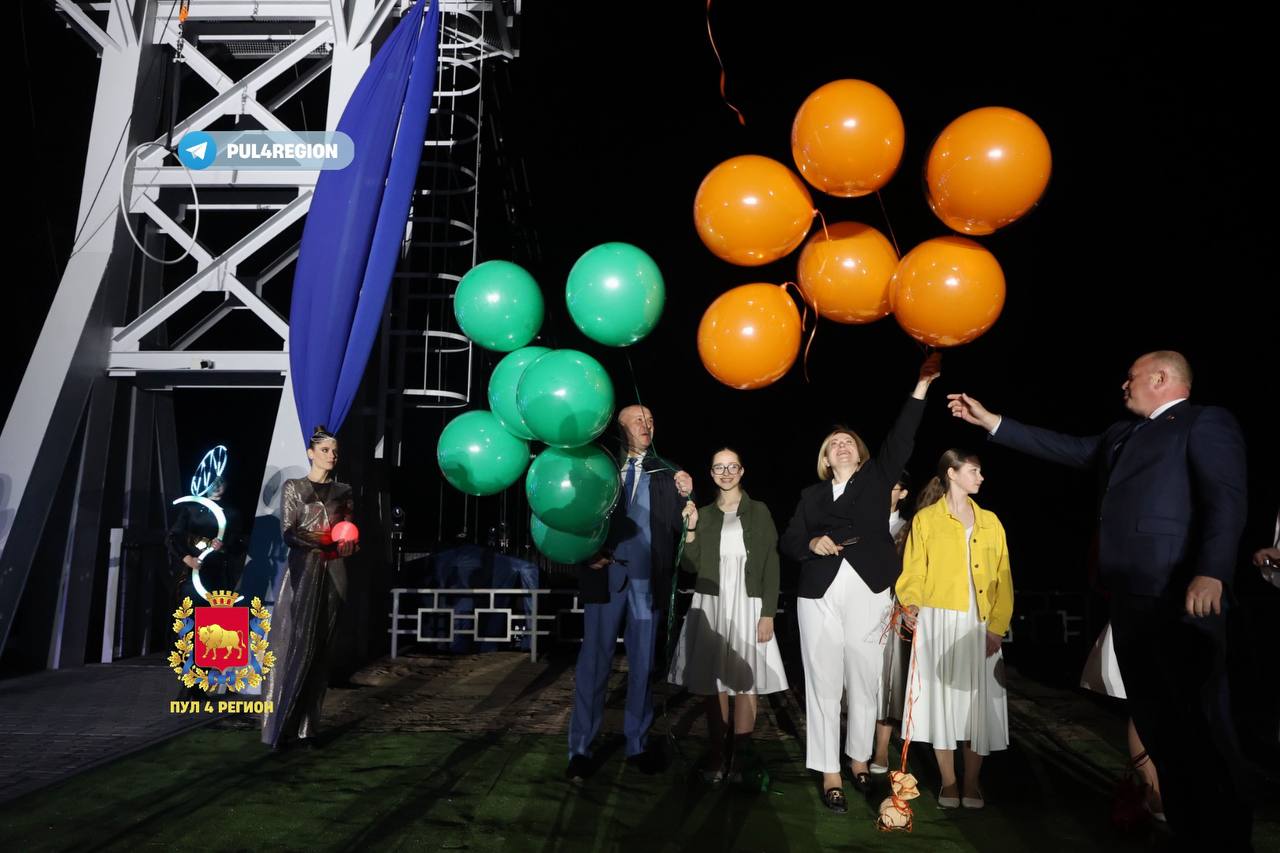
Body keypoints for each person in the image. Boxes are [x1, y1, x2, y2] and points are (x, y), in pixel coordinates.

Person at [947, 350, 1251, 847]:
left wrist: (1212, 571)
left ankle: (1229, 838)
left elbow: (1226, 500)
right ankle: (1189, 831)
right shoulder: (1119, 434)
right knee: (1158, 727)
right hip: (1128, 600)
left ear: (1161, 378)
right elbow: (1064, 447)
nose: (1123, 385)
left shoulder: (1203, 422)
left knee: (1203, 727)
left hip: (1180, 599)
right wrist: (993, 422)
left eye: (1132, 377)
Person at [780, 353, 941, 814]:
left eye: (848, 442)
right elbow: (789, 540)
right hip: (818, 593)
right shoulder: (811, 495)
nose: (842, 446)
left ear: (861, 452)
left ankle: (858, 760)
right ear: (825, 459)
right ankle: (829, 771)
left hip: (869, 587)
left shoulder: (876, 479)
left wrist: (922, 386)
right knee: (823, 683)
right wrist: (812, 543)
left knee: (864, 681)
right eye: (834, 444)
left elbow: (902, 437)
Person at [567, 405, 693, 781]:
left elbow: (683, 520)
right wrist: (586, 553)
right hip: (605, 578)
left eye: (651, 420)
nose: (646, 424)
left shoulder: (667, 472)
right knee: (593, 665)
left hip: (646, 583)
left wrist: (688, 495)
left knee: (643, 667)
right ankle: (580, 750)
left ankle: (637, 744)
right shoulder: (599, 468)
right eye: (637, 419)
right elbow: (576, 517)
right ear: (619, 427)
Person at [897, 450, 1013, 810]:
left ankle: (972, 782)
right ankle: (949, 781)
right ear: (952, 473)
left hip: (978, 622)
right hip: (938, 619)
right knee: (942, 702)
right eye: (974, 471)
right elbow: (914, 569)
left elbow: (1004, 578)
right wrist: (910, 604)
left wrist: (997, 627)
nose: (980, 477)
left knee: (976, 704)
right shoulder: (926, 519)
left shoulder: (990, 521)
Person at [668, 448, 788, 782]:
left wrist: (768, 613)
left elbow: (771, 563)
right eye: (719, 467)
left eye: (732, 466)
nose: (726, 472)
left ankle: (741, 757)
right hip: (712, 602)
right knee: (713, 682)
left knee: (746, 681)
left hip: (748, 603)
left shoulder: (759, 511)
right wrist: (691, 529)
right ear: (711, 473)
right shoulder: (704, 513)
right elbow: (689, 564)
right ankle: (718, 753)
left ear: (742, 471)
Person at [262, 425, 356, 749]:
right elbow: (289, 532)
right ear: (311, 453)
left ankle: (308, 728)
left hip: (334, 573)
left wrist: (347, 545)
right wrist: (323, 541)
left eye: (335, 451)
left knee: (322, 651)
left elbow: (349, 532)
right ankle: (282, 726)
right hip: (303, 572)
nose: (331, 456)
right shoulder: (295, 487)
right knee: (297, 645)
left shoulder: (343, 491)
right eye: (326, 450)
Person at [872, 473, 913, 773]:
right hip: (859, 607)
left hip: (892, 608)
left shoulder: (909, 528)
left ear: (903, 493)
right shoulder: (861, 522)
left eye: (891, 487)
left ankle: (881, 751)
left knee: (886, 681)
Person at [166, 476, 241, 604]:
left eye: (220, 481)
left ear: (226, 484)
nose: (216, 486)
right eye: (212, 482)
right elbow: (172, 538)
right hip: (191, 575)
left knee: (217, 615)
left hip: (219, 576)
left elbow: (238, 545)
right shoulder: (191, 508)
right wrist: (188, 559)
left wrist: (223, 547)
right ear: (205, 482)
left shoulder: (232, 514)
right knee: (189, 613)